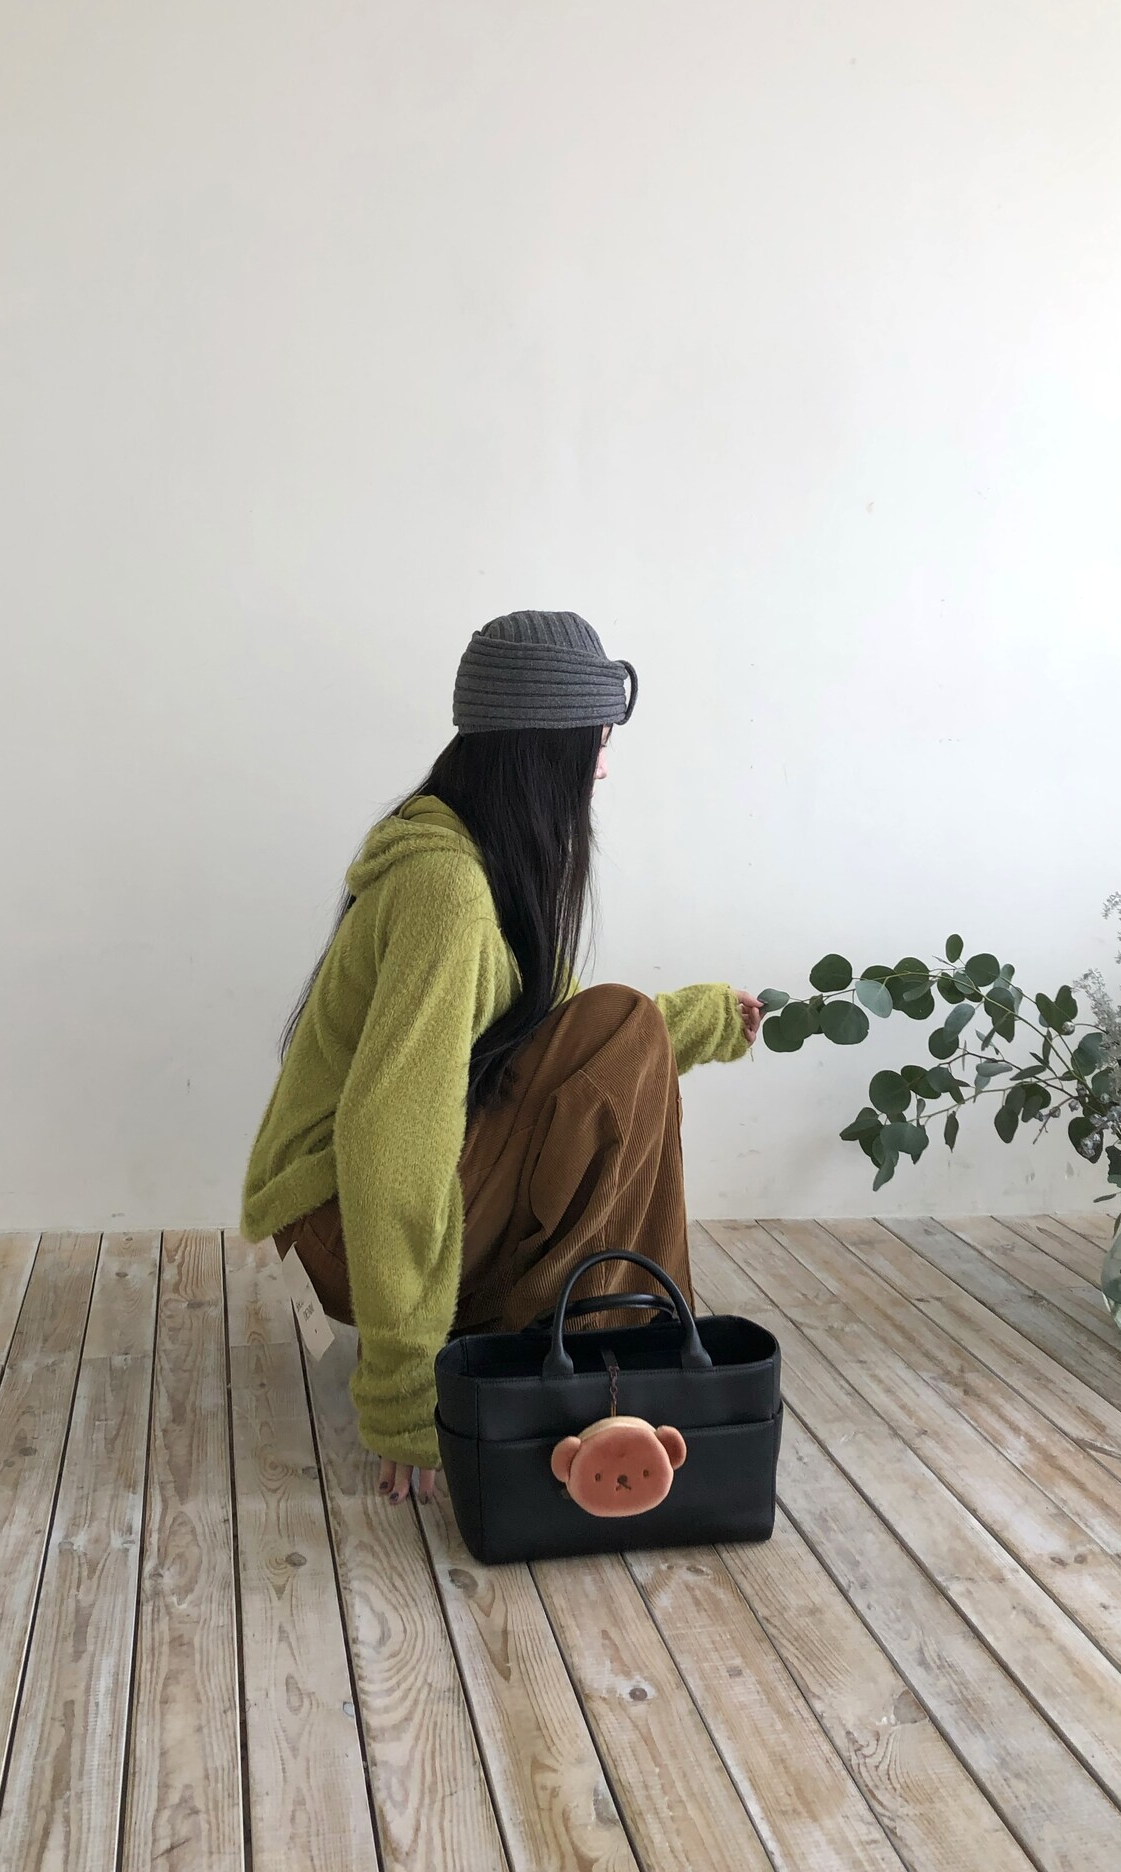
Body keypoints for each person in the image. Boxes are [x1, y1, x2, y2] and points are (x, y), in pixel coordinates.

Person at [241, 610, 763, 1507]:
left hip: (350, 1211)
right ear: (544, 750)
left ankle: (603, 1360)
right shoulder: (444, 889)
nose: (604, 768)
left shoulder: (481, 864)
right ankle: (612, 1372)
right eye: (599, 742)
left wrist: (703, 1021)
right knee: (620, 1022)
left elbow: (565, 1041)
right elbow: (388, 1139)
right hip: (341, 1223)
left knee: (620, 1022)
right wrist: (406, 1394)